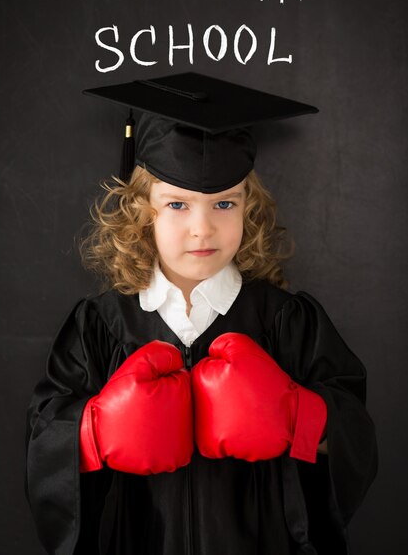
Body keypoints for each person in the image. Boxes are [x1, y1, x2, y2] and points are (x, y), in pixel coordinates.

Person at [25, 73, 378, 555]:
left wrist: (296, 416)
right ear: (141, 211)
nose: (202, 228)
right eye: (176, 204)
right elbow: (44, 440)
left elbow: (356, 434)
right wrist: (94, 432)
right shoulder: (100, 325)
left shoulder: (285, 320)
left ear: (248, 208)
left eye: (224, 203)